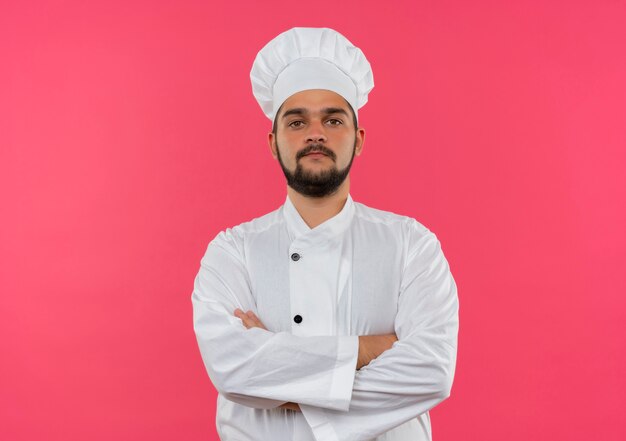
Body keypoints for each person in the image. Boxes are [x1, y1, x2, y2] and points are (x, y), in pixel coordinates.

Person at [191, 27, 459, 441]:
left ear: (359, 140)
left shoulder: (412, 245)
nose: (315, 132)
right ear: (273, 143)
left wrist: (281, 378)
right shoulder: (232, 251)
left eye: (333, 119)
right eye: (296, 121)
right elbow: (232, 369)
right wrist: (372, 349)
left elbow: (432, 371)